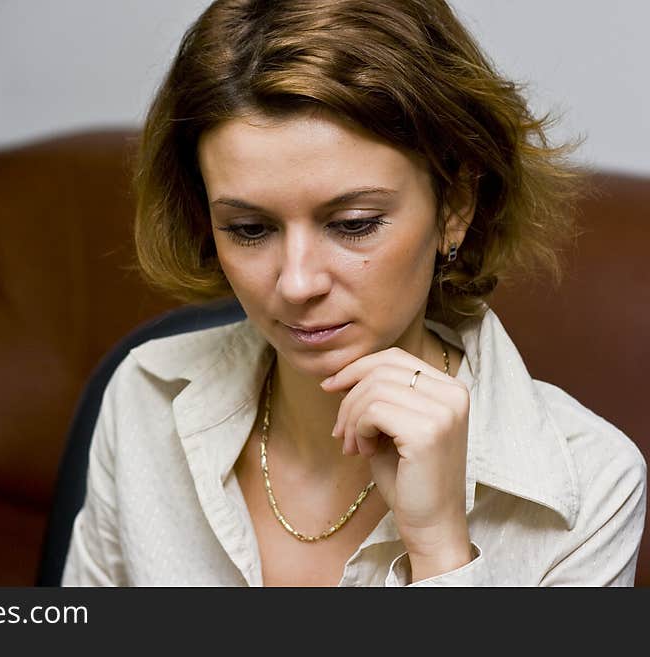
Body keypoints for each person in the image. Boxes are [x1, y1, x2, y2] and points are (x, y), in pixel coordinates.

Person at [62, 0, 646, 586]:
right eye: (249, 229)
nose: (296, 283)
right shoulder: (145, 398)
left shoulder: (593, 488)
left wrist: (440, 549)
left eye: (354, 224)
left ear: (456, 207)